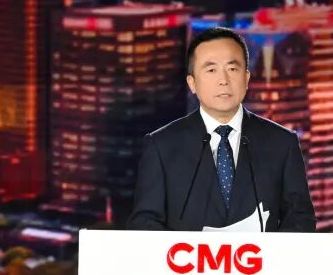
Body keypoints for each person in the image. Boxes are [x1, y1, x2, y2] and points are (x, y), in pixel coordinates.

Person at [127, 27, 316, 232]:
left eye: (232, 69)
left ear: (246, 78)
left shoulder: (283, 143)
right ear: (192, 83)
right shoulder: (161, 145)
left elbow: (300, 219)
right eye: (211, 70)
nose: (223, 80)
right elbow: (145, 223)